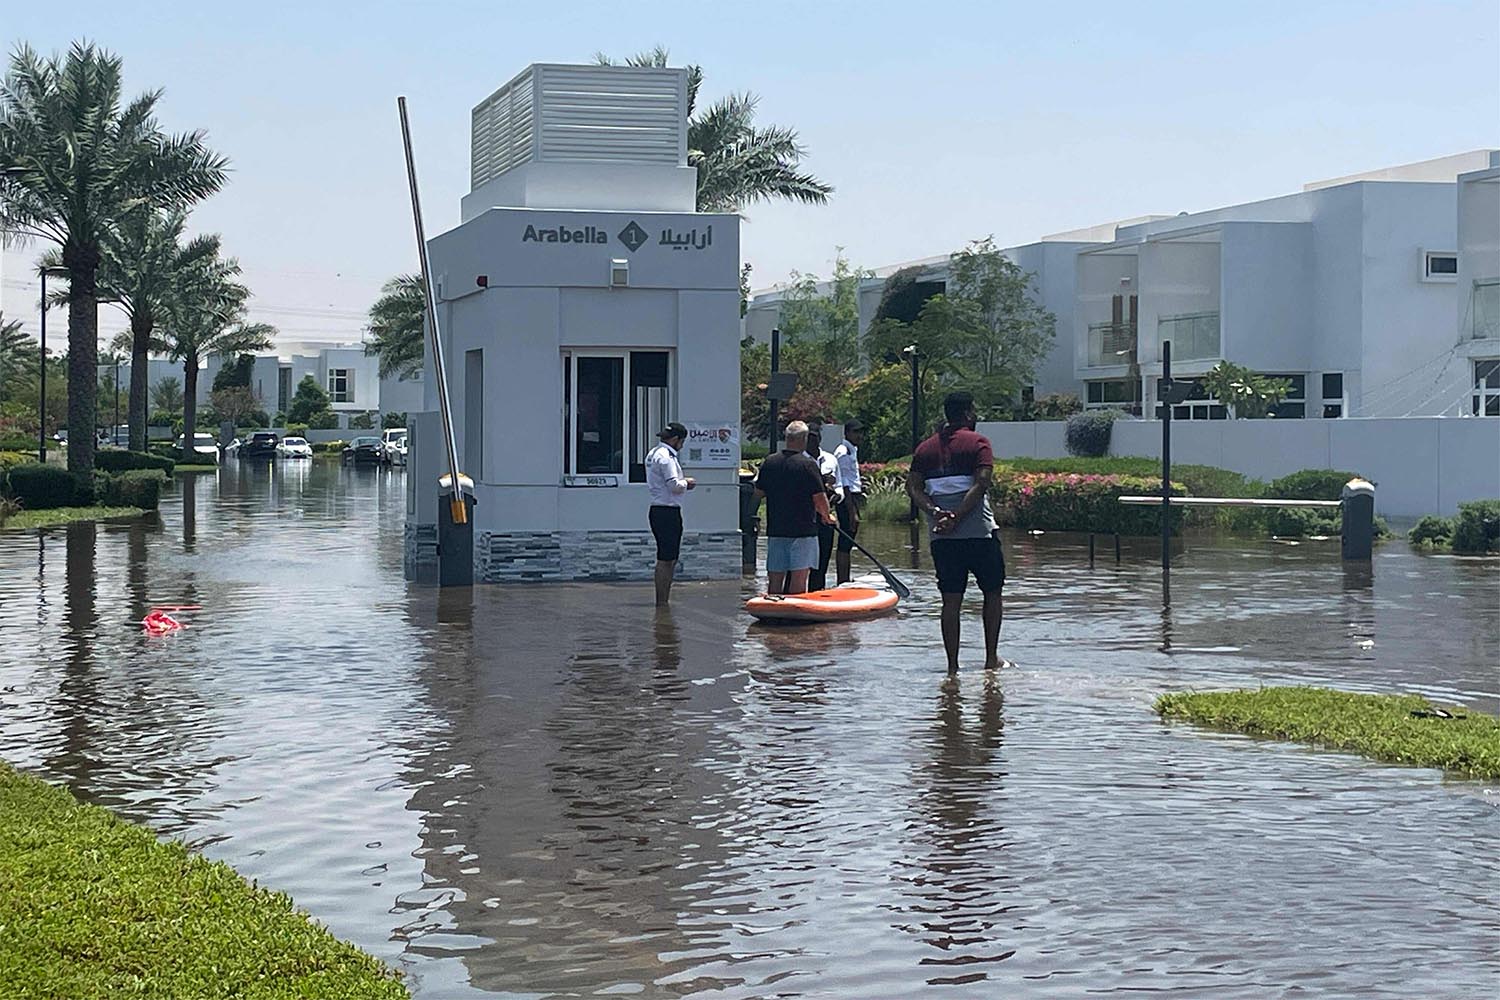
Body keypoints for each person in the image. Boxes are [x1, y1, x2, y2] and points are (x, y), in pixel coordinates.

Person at [906, 392, 1006, 673]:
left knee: (951, 600)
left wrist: (936, 512)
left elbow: (913, 488)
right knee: (993, 593)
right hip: (978, 534)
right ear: (968, 414)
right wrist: (959, 516)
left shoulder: (925, 449)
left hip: (942, 537)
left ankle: (952, 667)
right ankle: (990, 660)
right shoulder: (979, 443)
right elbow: (981, 483)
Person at [754, 420, 836, 595]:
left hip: (776, 529)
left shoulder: (770, 462)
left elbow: (758, 494)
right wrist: (827, 517)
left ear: (786, 438)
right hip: (803, 531)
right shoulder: (808, 465)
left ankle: (773, 613)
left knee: (775, 578)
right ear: (804, 439)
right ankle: (794, 616)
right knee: (799, 578)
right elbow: (819, 498)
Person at [646, 421, 696, 606]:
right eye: (682, 441)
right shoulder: (666, 457)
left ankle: (663, 599)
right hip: (667, 511)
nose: (682, 445)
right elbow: (674, 485)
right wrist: (687, 482)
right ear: (676, 440)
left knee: (667, 557)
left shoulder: (653, 453)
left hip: (658, 509)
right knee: (667, 559)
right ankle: (662, 601)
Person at [805, 424, 844, 592]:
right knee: (804, 562)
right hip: (805, 518)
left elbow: (840, 486)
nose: (812, 441)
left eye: (815, 437)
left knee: (823, 559)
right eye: (809, 438)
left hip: (826, 516)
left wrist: (836, 496)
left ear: (820, 439)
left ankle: (818, 590)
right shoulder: (801, 460)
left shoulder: (830, 459)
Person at [833, 418, 865, 584]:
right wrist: (852, 512)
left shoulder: (852, 449)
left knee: (849, 540)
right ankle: (842, 579)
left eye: (861, 432)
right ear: (847, 433)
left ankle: (845, 577)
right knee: (846, 540)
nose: (859, 435)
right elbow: (844, 483)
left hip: (853, 497)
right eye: (856, 432)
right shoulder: (843, 451)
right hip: (847, 499)